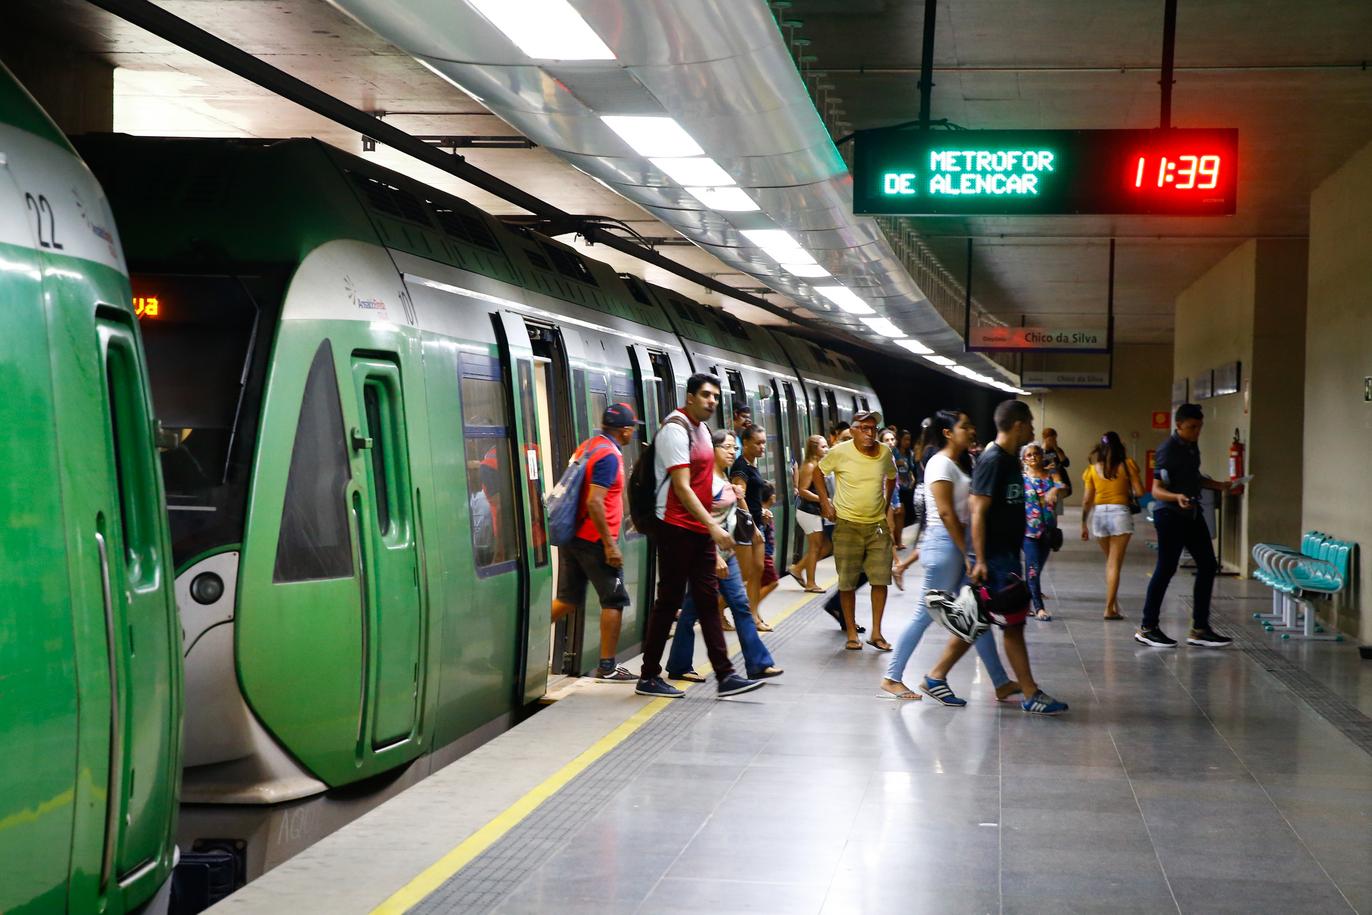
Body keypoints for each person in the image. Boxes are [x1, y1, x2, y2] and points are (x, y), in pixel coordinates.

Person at [921, 400, 1068, 715]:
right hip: (996, 557)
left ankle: (936, 676)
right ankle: (1029, 692)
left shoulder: (1009, 460)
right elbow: (977, 510)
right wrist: (980, 558)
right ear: (1017, 425)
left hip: (1004, 553)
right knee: (1012, 623)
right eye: (1029, 423)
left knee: (979, 617)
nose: (1031, 430)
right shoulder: (993, 460)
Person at [636, 373, 763, 698]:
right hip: (676, 528)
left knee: (708, 601)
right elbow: (681, 487)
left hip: (698, 530)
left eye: (716, 397)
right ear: (689, 397)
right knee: (669, 601)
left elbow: (704, 482)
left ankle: (725, 675)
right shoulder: (675, 431)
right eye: (706, 395)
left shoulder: (703, 431)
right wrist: (713, 526)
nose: (712, 401)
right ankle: (649, 675)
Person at [880, 410, 1019, 702]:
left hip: (951, 544)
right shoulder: (940, 464)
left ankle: (1001, 681)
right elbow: (944, 514)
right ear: (947, 432)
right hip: (946, 544)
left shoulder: (959, 463)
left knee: (973, 615)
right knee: (924, 615)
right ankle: (893, 677)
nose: (971, 431)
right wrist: (967, 556)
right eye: (964, 426)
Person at [667, 429, 783, 682]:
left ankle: (758, 663)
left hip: (725, 554)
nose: (732, 452)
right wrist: (713, 556)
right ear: (711, 449)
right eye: (727, 447)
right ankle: (681, 665)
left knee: (736, 606)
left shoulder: (725, 477)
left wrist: (753, 528)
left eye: (735, 447)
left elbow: (735, 509)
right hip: (706, 556)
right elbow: (698, 521)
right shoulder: (704, 481)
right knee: (692, 612)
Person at [550, 404, 642, 680]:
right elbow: (594, 501)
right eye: (632, 428)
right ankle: (608, 666)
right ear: (625, 430)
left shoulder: (588, 446)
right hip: (595, 541)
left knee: (567, 600)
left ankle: (527, 635)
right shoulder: (609, 457)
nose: (632, 433)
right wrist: (610, 545)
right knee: (614, 601)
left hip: (573, 537)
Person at [1136, 404, 1234, 649]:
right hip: (1170, 514)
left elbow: (1194, 478)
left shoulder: (1191, 447)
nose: (1196, 432)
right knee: (1166, 567)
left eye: (1199, 427)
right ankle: (1148, 627)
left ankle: (1200, 629)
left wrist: (1218, 485)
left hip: (1191, 513)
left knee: (1208, 564)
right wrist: (1177, 497)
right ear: (1178, 426)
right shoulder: (1168, 450)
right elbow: (1157, 490)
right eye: (1191, 428)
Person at [817, 410, 897, 651]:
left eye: (872, 428)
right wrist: (825, 502)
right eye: (863, 428)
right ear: (852, 431)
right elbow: (818, 472)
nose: (870, 433)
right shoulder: (839, 452)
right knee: (847, 582)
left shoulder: (884, 452)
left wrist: (886, 501)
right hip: (847, 525)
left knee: (881, 579)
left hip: (877, 526)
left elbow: (892, 476)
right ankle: (851, 633)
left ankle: (876, 633)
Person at [1080, 431, 1145, 621]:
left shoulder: (1091, 469)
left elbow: (1086, 500)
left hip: (1099, 515)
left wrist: (1083, 524)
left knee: (1110, 562)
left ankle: (1114, 605)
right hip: (1120, 514)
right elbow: (1140, 491)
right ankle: (1109, 608)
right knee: (1114, 564)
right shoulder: (1128, 464)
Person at [730, 423, 773, 632]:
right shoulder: (741, 468)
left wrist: (762, 511)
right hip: (746, 528)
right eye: (758, 443)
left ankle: (755, 615)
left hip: (756, 523)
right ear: (745, 443)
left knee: (758, 571)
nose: (762, 447)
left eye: (764, 442)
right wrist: (753, 527)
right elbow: (740, 497)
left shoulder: (752, 464)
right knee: (747, 574)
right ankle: (745, 616)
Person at [1020, 441, 1061, 622]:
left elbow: (1064, 486)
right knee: (1033, 570)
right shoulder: (1021, 479)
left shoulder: (1051, 475)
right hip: (1028, 531)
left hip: (1048, 530)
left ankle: (1023, 604)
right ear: (1023, 459)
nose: (1033, 457)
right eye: (1028, 455)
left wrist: (1054, 488)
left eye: (1036, 454)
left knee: (1035, 568)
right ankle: (1039, 608)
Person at [787, 435, 828, 593]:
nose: (826, 449)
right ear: (814, 449)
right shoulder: (810, 466)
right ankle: (811, 583)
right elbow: (803, 491)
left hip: (812, 511)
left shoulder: (817, 464)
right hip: (808, 512)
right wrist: (823, 499)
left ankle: (797, 570)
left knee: (820, 547)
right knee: (815, 548)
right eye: (823, 447)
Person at [881, 429, 907, 550]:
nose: (890, 442)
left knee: (895, 518)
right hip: (885, 492)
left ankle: (897, 544)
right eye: (887, 440)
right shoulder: (880, 456)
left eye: (892, 439)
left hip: (894, 491)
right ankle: (893, 553)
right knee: (889, 525)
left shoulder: (891, 455)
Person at [1041, 427, 1072, 499]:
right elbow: (1037, 468)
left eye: (1055, 439)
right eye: (1051, 439)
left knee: (1058, 501)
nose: (1053, 441)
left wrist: (1056, 449)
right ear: (1045, 438)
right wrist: (1046, 468)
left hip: (1060, 479)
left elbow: (1066, 463)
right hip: (1048, 480)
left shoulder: (1057, 450)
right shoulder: (1040, 452)